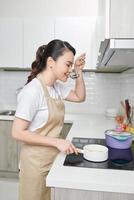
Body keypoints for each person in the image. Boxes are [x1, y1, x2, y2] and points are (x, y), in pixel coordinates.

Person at [12, 39, 86, 200]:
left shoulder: (56, 87)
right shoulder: (32, 91)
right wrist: (57, 142)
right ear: (51, 62)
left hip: (52, 160)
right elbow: (17, 132)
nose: (70, 69)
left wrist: (78, 72)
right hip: (34, 164)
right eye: (68, 64)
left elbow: (80, 97)